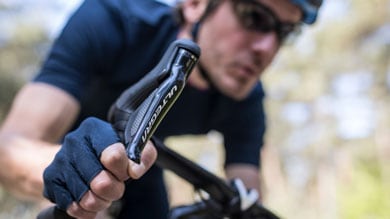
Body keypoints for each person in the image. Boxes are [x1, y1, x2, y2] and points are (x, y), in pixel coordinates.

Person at [0, 0, 322, 218]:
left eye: (285, 32)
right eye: (254, 17)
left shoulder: (245, 98)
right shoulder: (112, 20)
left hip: (140, 169)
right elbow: (10, 147)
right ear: (195, 4)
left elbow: (246, 196)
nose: (267, 48)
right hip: (58, 158)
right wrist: (67, 168)